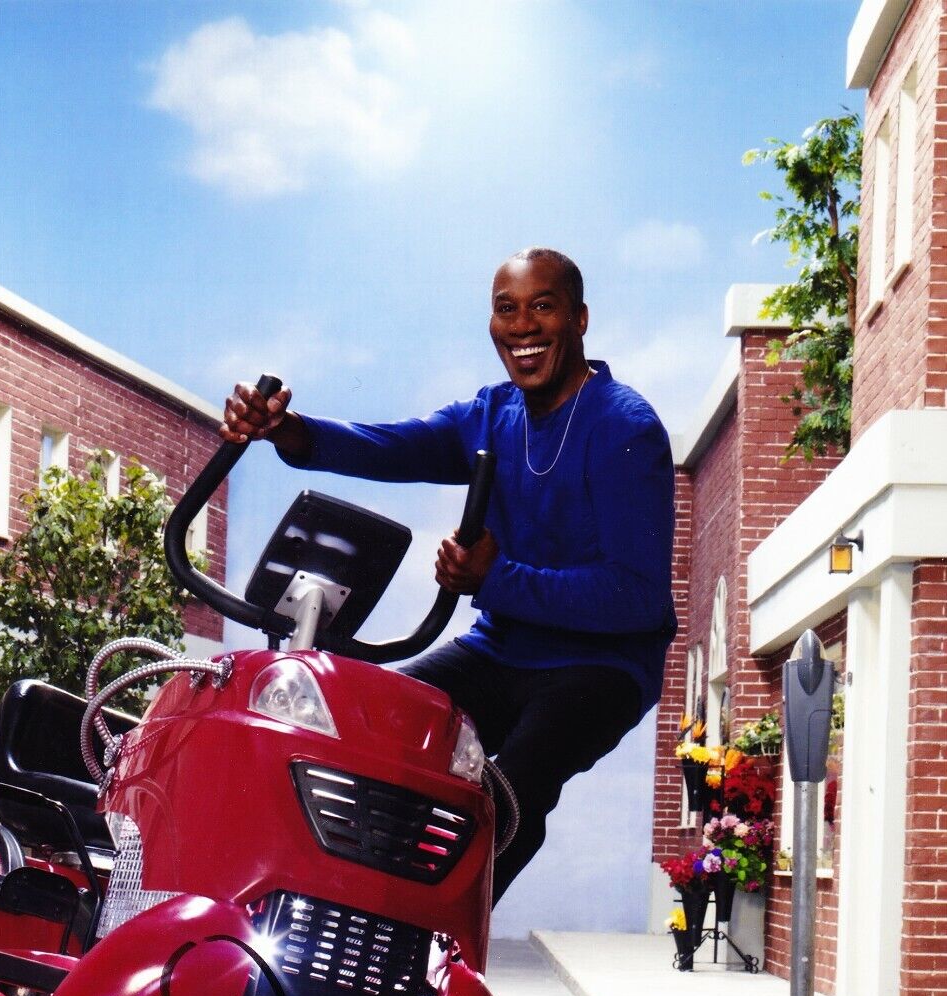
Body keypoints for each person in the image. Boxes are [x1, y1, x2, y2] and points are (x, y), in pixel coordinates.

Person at [221, 247, 677, 904]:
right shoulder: (491, 416)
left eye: (542, 307)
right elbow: (390, 445)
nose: (523, 327)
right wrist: (287, 431)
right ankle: (337, 923)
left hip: (600, 667)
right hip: (501, 651)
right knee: (365, 728)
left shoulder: (625, 429)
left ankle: (440, 949)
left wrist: (497, 579)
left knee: (503, 795)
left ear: (579, 320)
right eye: (506, 310)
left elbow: (635, 599)